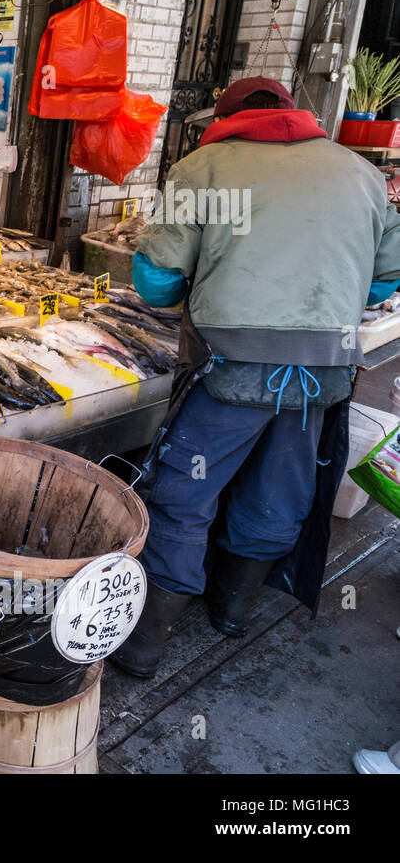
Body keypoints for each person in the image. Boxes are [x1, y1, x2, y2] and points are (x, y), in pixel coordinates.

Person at [111, 76, 400, 678]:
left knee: (183, 495)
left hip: (229, 368)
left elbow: (157, 282)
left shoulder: (204, 168)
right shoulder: (361, 173)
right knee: (281, 485)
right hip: (323, 372)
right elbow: (382, 281)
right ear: (292, 114)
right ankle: (233, 609)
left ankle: (146, 643)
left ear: (226, 119)